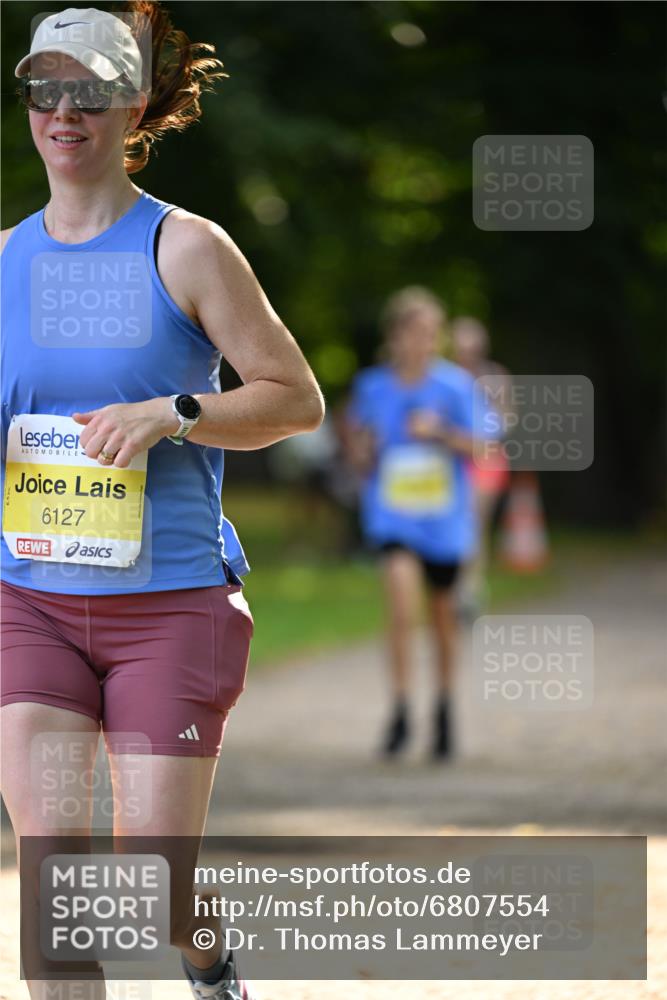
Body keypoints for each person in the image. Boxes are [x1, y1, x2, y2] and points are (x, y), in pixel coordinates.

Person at [0, 5, 324, 1000]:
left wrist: (172, 412)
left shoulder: (186, 248)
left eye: (90, 90)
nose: (65, 109)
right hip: (31, 603)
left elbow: (294, 399)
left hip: (169, 604)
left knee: (154, 885)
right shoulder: (3, 258)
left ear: (132, 104)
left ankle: (208, 961)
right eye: (45, 87)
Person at [345, 287, 488, 761]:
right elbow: (358, 448)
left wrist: (441, 433)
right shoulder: (372, 386)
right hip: (393, 518)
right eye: (412, 332)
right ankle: (401, 710)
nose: (421, 341)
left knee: (443, 620)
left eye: (430, 333)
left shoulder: (456, 387)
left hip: (444, 524)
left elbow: (483, 447)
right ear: (394, 336)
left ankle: (444, 709)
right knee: (403, 610)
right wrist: (362, 451)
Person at [451, 317, 513, 616]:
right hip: (453, 458)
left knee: (474, 524)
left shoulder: (495, 377)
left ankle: (470, 588)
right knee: (457, 522)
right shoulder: (445, 377)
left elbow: (506, 421)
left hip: (486, 459)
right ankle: (457, 587)